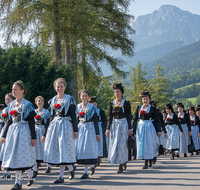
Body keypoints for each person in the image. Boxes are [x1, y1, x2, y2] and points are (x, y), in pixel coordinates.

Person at [0, 81, 37, 190]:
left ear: (22, 91)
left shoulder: (27, 105)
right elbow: (8, 122)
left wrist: (33, 137)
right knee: (15, 157)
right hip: (13, 132)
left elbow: (31, 122)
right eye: (12, 89)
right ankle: (22, 180)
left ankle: (23, 179)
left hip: (23, 132)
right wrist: (4, 135)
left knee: (22, 156)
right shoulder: (11, 105)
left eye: (15, 89)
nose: (13, 91)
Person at [44, 78, 78, 183]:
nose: (60, 88)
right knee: (58, 150)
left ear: (65, 87)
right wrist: (46, 132)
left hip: (65, 125)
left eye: (61, 86)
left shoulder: (69, 99)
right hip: (54, 126)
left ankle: (61, 176)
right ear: (55, 88)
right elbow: (51, 116)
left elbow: (73, 115)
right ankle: (71, 169)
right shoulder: (53, 100)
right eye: (58, 86)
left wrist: (75, 130)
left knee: (64, 150)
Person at [106, 83, 132, 173]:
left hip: (123, 124)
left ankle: (121, 164)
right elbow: (109, 117)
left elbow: (129, 116)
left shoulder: (126, 103)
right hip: (115, 124)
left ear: (121, 92)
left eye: (118, 91)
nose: (116, 93)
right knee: (115, 144)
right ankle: (120, 161)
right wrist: (108, 128)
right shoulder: (111, 103)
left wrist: (130, 128)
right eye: (115, 92)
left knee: (122, 144)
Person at [132, 91, 161, 169]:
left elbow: (157, 120)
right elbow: (134, 119)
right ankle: (145, 160)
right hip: (141, 127)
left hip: (149, 127)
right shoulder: (138, 108)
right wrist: (133, 129)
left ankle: (148, 160)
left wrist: (159, 130)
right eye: (144, 99)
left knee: (149, 144)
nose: (145, 101)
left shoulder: (153, 108)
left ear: (149, 99)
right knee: (142, 144)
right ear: (142, 100)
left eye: (147, 99)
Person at [76, 89, 100, 179]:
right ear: (80, 97)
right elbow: (75, 119)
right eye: (82, 95)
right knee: (81, 148)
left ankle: (88, 169)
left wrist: (97, 134)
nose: (84, 97)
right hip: (81, 128)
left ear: (88, 97)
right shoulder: (77, 107)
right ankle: (88, 167)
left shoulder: (91, 107)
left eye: (86, 95)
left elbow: (95, 121)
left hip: (89, 128)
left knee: (88, 148)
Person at [32, 96, 51, 177]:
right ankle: (35, 169)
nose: (40, 102)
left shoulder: (46, 112)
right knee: (35, 149)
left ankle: (49, 165)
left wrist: (44, 134)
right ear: (36, 103)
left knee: (45, 148)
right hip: (36, 131)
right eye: (38, 101)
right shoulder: (34, 112)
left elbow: (47, 124)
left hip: (43, 129)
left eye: (41, 101)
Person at [88, 96, 107, 166]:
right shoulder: (88, 112)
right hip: (91, 127)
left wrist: (105, 130)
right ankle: (94, 157)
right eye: (93, 104)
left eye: (95, 104)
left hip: (99, 127)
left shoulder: (100, 111)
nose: (94, 106)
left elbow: (104, 121)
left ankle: (98, 157)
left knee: (99, 143)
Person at [0, 93, 15, 178]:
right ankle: (7, 172)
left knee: (10, 151)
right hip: (4, 131)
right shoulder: (4, 110)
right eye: (6, 99)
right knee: (4, 151)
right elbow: (3, 122)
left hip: (11, 131)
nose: (7, 101)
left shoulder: (14, 109)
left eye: (9, 99)